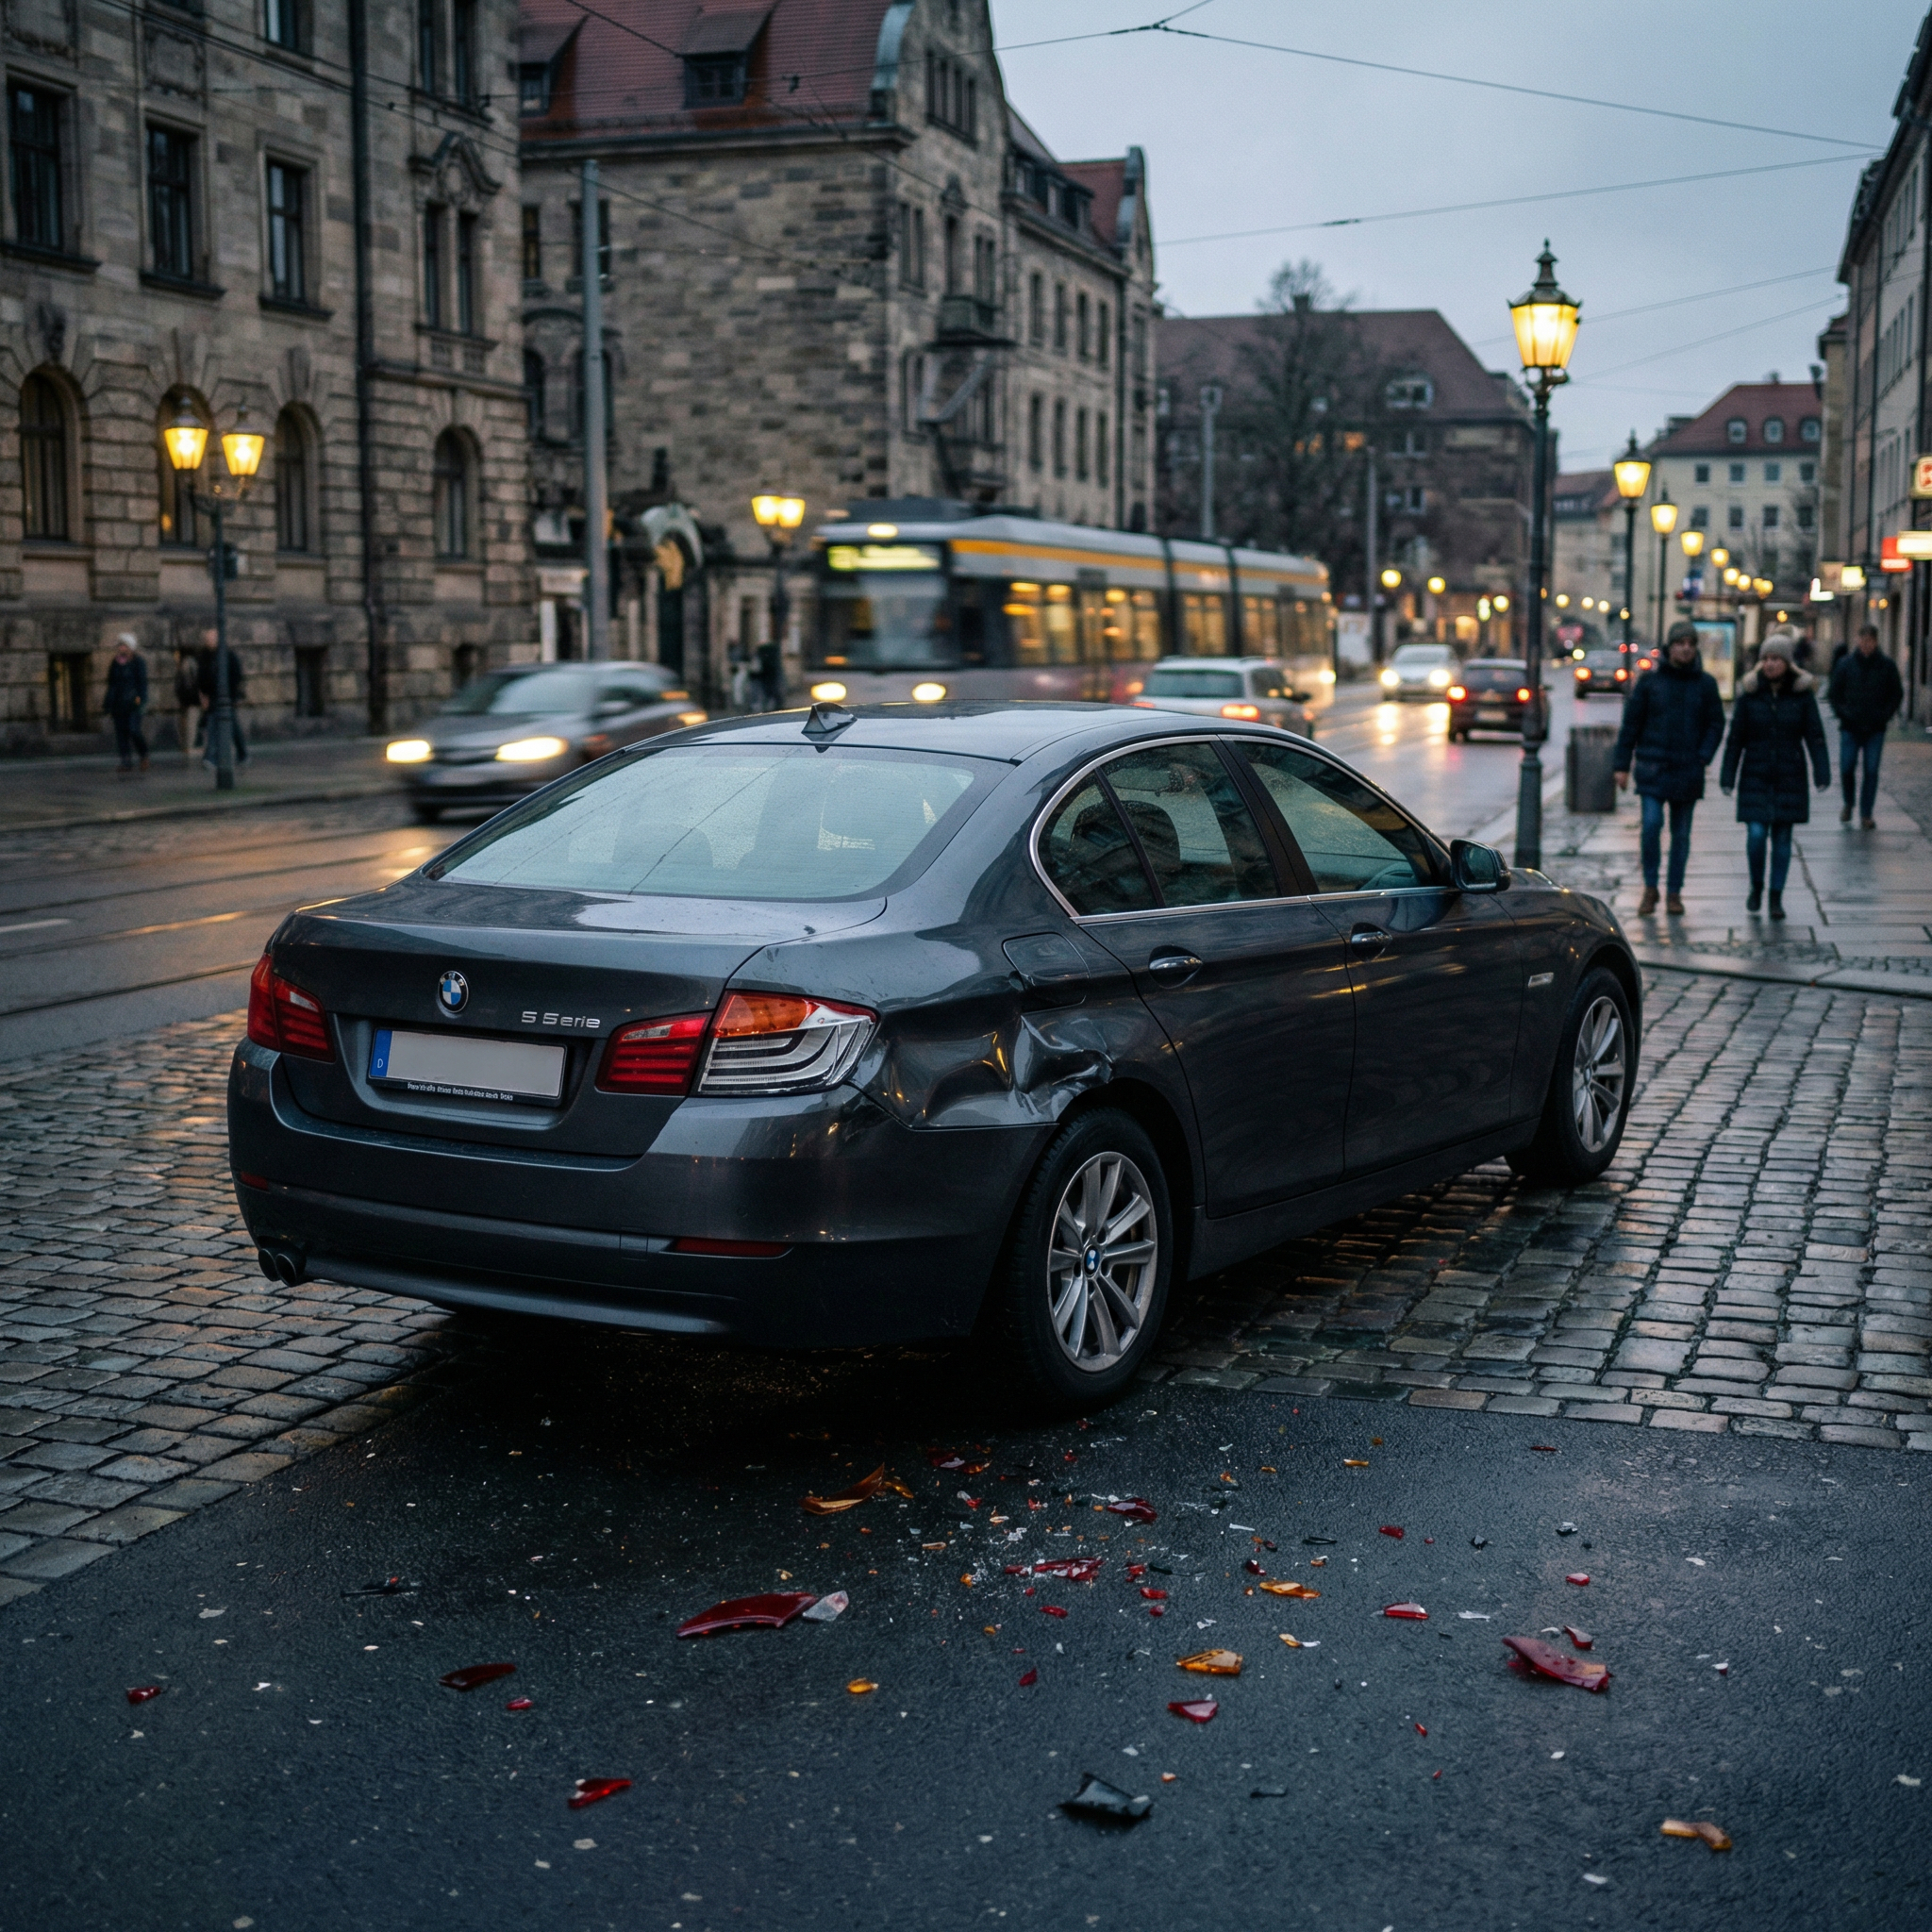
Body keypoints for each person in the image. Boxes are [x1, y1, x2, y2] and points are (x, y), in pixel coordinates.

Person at [1613, 618, 1725, 918]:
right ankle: (1651, 887)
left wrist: (1704, 755)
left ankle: (1674, 892)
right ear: (1669, 648)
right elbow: (1631, 724)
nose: (1686, 649)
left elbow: (1716, 723)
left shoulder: (1705, 684)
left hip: (1688, 769)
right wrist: (1621, 765)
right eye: (1680, 644)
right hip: (1653, 767)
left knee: (1682, 834)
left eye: (1690, 644)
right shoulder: (1650, 682)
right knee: (1651, 827)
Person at [1720, 626, 1830, 920]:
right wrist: (1727, 776)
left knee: (1782, 840)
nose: (1770, 664)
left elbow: (1815, 736)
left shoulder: (1802, 695)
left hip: (1789, 775)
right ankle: (1757, 886)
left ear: (1788, 663)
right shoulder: (1749, 694)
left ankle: (1775, 896)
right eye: (1766, 658)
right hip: (1755, 775)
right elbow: (1736, 739)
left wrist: (1822, 772)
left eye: (1776, 659)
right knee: (1756, 836)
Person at [1826, 623, 1904, 829]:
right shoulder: (1846, 664)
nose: (1866, 644)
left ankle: (1866, 813)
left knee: (1871, 771)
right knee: (1846, 767)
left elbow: (1896, 694)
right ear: (1858, 640)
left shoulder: (1886, 666)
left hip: (1875, 728)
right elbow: (1834, 694)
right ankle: (1849, 802)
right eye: (1863, 640)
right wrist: (1844, 714)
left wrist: (1884, 716)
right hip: (1850, 727)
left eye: (1870, 641)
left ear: (1876, 642)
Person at [196, 627, 248, 767]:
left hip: (227, 697)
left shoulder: (228, 655)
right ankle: (211, 757)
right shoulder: (205, 656)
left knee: (231, 727)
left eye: (212, 638)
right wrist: (203, 695)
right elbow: (201, 677)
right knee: (214, 725)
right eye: (208, 639)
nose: (210, 641)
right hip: (213, 696)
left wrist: (233, 695)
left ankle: (239, 754)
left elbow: (236, 676)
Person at [103, 633, 149, 774]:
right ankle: (126, 761)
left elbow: (142, 683)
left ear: (130, 647)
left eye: (124, 645)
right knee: (121, 733)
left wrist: (140, 700)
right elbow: (111, 684)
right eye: (120, 645)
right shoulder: (115, 662)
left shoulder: (138, 662)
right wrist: (108, 703)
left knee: (133, 730)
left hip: (133, 703)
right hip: (118, 704)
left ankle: (143, 754)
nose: (121, 648)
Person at [173, 642, 202, 759]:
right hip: (192, 699)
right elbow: (193, 682)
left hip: (184, 699)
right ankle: (189, 747)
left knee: (186, 722)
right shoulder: (190, 663)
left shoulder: (183, 663)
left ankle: (186, 745)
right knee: (191, 723)